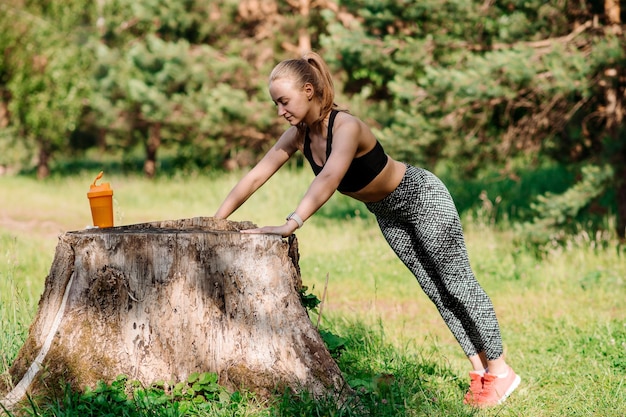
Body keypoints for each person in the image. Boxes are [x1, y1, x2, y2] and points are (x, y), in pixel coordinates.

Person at [214, 51, 520, 407]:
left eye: (284, 101)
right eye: (276, 104)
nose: (280, 110)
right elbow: (256, 174)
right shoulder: (298, 136)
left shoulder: (348, 127)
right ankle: (479, 371)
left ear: (309, 90)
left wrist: (291, 222)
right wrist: (213, 223)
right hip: (387, 213)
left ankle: (500, 370)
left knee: (457, 282)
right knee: (435, 289)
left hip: (421, 197)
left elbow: (329, 176)